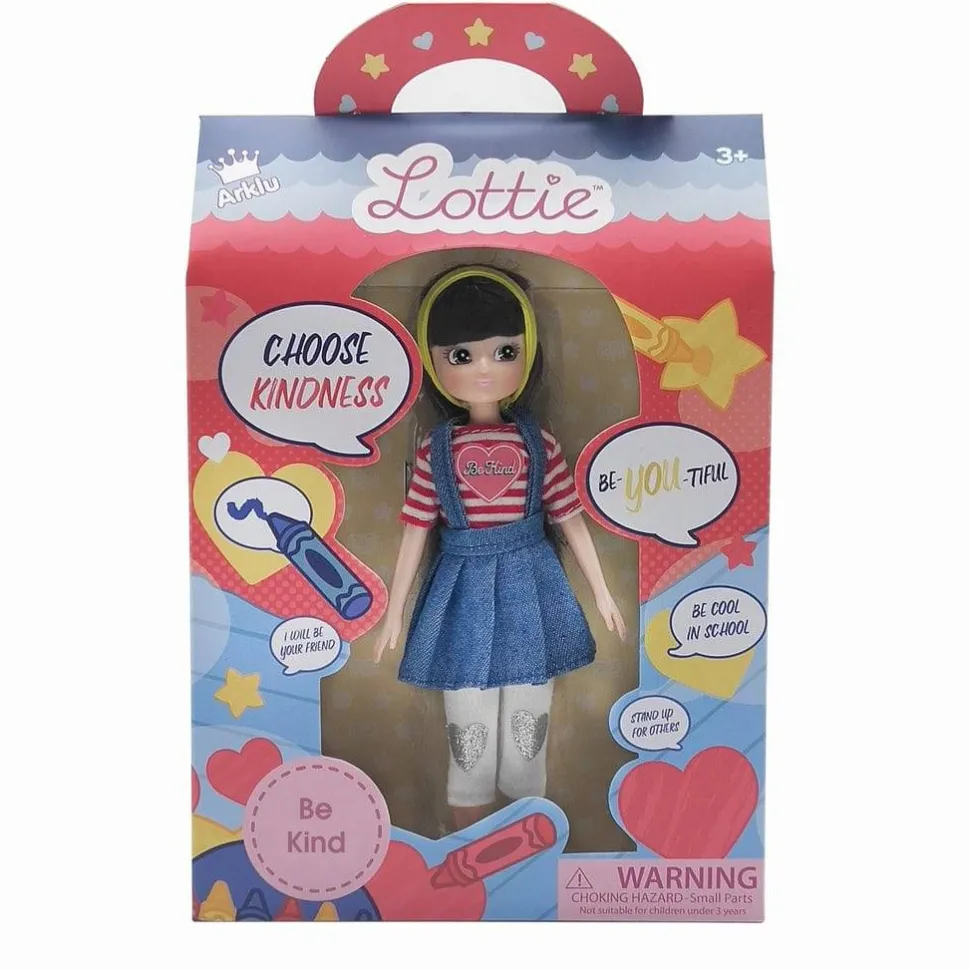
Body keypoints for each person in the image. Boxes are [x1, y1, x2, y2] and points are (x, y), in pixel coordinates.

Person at [374, 267, 625, 830]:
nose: (484, 368)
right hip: (461, 585)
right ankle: (468, 828)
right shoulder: (437, 451)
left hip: (531, 582)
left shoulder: (539, 444)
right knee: (468, 713)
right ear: (432, 363)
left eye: (504, 352)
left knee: (530, 712)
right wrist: (394, 611)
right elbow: (416, 530)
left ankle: (526, 822)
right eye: (461, 357)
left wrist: (603, 592)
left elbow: (570, 517)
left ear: (527, 353)